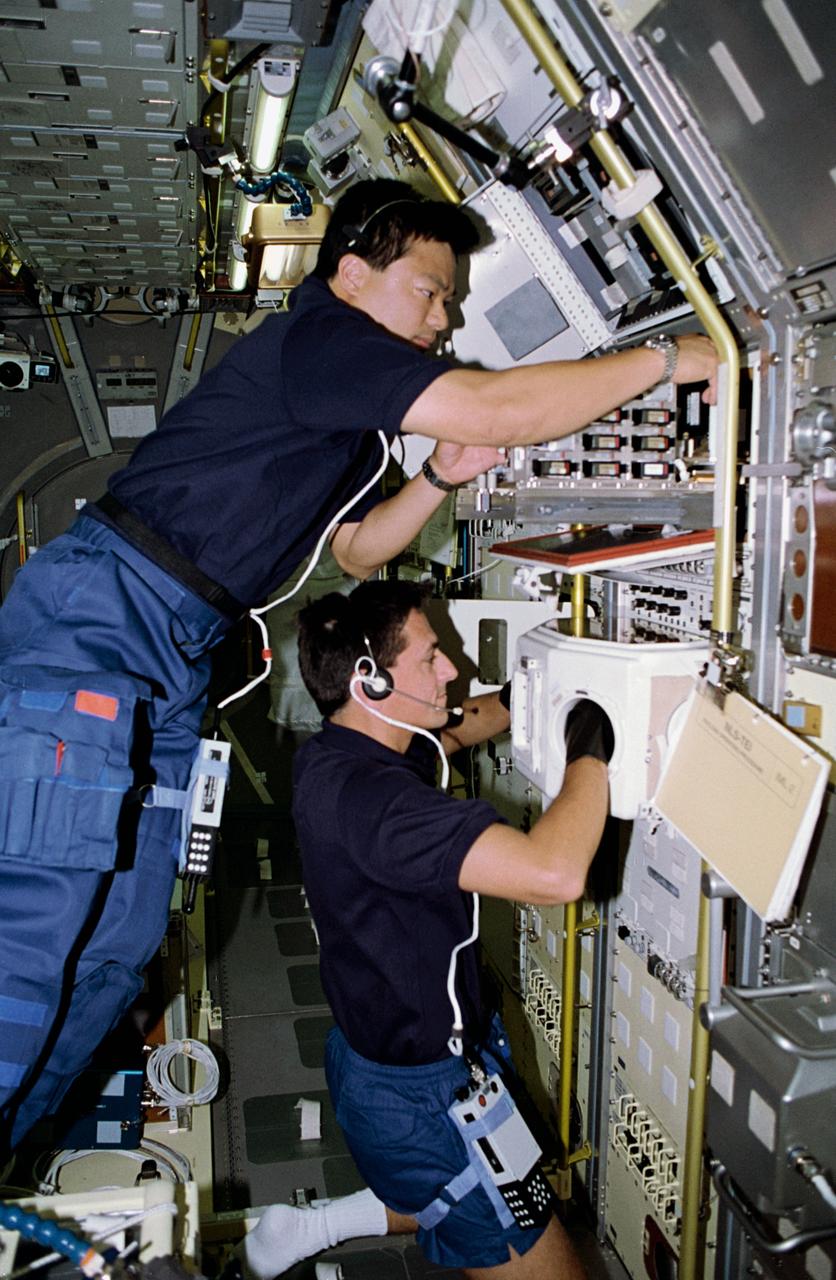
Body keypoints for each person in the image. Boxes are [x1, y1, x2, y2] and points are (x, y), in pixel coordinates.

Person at [0, 174, 717, 1152]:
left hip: (170, 646)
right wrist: (673, 355)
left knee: (117, 943)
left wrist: (432, 473)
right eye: (429, 290)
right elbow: (496, 409)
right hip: (108, 617)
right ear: (349, 273)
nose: (443, 314)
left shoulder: (339, 405)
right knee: (35, 923)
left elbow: (355, 552)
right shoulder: (322, 341)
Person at [231, 579, 614, 1278]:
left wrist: (552, 688)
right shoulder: (377, 805)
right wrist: (596, 740)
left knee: (455, 1195)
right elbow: (554, 874)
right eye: (431, 656)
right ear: (369, 680)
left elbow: (459, 723)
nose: (451, 670)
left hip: (387, 1067)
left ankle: (315, 1224)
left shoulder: (342, 750)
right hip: (422, 1097)